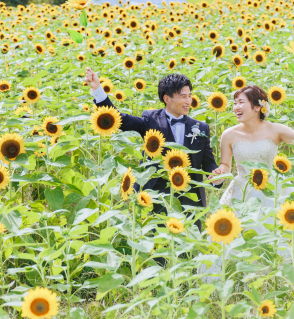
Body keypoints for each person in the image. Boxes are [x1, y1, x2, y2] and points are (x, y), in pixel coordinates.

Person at [198, 85, 294, 275]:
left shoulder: (275, 130)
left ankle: (285, 271)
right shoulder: (229, 135)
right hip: (242, 190)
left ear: (258, 106)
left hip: (274, 189)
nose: (236, 107)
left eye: (241, 102)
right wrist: (220, 171)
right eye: (234, 104)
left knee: (285, 229)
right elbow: (226, 164)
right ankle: (240, 272)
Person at [84, 67, 223, 227]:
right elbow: (120, 120)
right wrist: (98, 91)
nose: (188, 101)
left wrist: (216, 175)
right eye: (183, 96)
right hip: (156, 197)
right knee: (158, 246)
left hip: (190, 200)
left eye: (189, 96)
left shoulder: (200, 127)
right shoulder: (151, 120)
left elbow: (208, 162)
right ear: (167, 99)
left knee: (189, 249)